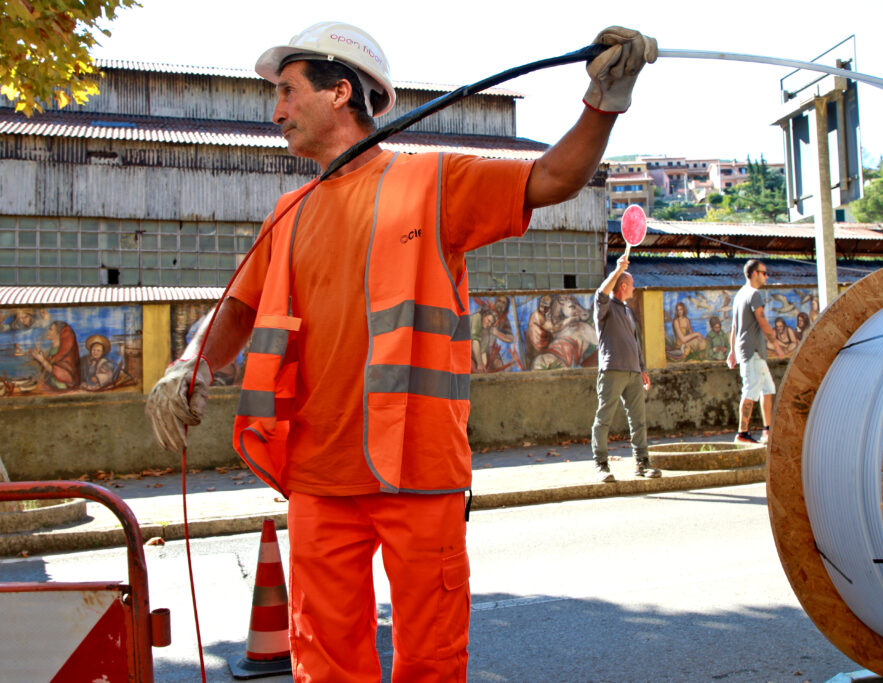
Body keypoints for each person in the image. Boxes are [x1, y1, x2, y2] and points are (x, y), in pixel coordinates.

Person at [144, 21, 656, 682]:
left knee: (431, 664)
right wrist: (192, 360)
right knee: (324, 665)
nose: (275, 111)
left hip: (417, 472)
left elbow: (553, 177)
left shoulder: (432, 181)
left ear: (339, 92)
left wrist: (603, 103)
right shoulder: (288, 212)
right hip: (320, 477)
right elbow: (237, 310)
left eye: (286, 91)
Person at [591, 254, 661, 482]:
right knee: (604, 419)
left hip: (633, 373)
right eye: (631, 285)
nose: (634, 289)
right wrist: (617, 270)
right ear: (623, 285)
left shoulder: (628, 312)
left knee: (638, 420)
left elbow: (635, 342)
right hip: (612, 370)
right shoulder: (605, 307)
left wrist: (642, 369)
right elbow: (601, 292)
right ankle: (601, 465)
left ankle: (642, 463)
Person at [727, 259, 782, 444]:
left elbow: (734, 326)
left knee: (768, 389)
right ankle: (742, 434)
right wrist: (775, 343)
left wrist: (732, 351)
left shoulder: (740, 295)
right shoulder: (754, 294)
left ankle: (767, 431)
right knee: (750, 391)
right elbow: (762, 320)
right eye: (764, 273)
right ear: (754, 273)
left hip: (749, 351)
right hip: (752, 352)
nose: (766, 276)